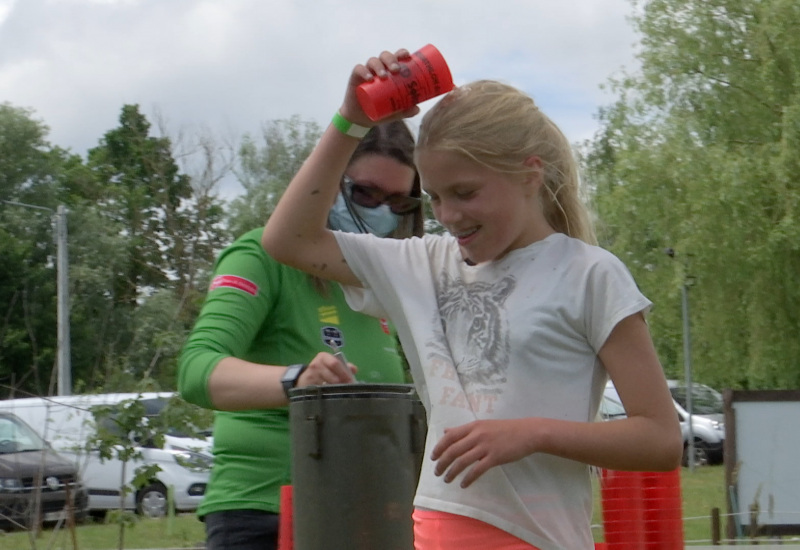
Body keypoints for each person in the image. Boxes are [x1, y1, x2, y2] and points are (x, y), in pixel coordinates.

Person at [261, 48, 684, 550]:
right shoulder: (423, 265)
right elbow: (288, 241)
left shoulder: (590, 275)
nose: (449, 215)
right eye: (435, 197)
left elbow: (660, 439)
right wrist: (350, 121)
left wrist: (533, 433)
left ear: (530, 175)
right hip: (436, 531)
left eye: (465, 192)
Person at [178, 119, 424, 550]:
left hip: (365, 512)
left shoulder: (378, 282)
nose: (381, 211)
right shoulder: (262, 255)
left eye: (398, 202)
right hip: (264, 513)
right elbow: (198, 371)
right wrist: (297, 381)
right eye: (365, 193)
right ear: (329, 181)